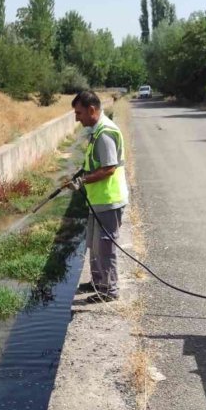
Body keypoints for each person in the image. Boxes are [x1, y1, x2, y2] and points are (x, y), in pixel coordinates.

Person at [69, 90, 128, 302]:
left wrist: (82, 181)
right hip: (98, 200)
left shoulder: (104, 133)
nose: (77, 118)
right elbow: (92, 164)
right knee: (93, 245)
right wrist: (79, 174)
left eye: (79, 113)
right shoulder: (96, 131)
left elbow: (109, 168)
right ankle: (97, 282)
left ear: (92, 110)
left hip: (109, 200)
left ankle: (109, 291)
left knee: (105, 247)